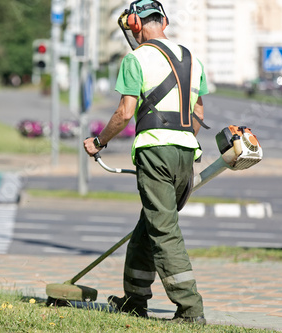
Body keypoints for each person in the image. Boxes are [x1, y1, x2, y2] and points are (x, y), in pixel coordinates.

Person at [84, 0, 207, 324]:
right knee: (149, 225)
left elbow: (125, 113)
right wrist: (182, 140)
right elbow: (199, 113)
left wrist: (99, 142)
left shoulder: (135, 58)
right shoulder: (192, 59)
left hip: (156, 153)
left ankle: (191, 310)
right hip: (185, 153)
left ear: (135, 24)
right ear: (164, 21)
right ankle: (135, 299)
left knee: (164, 230)